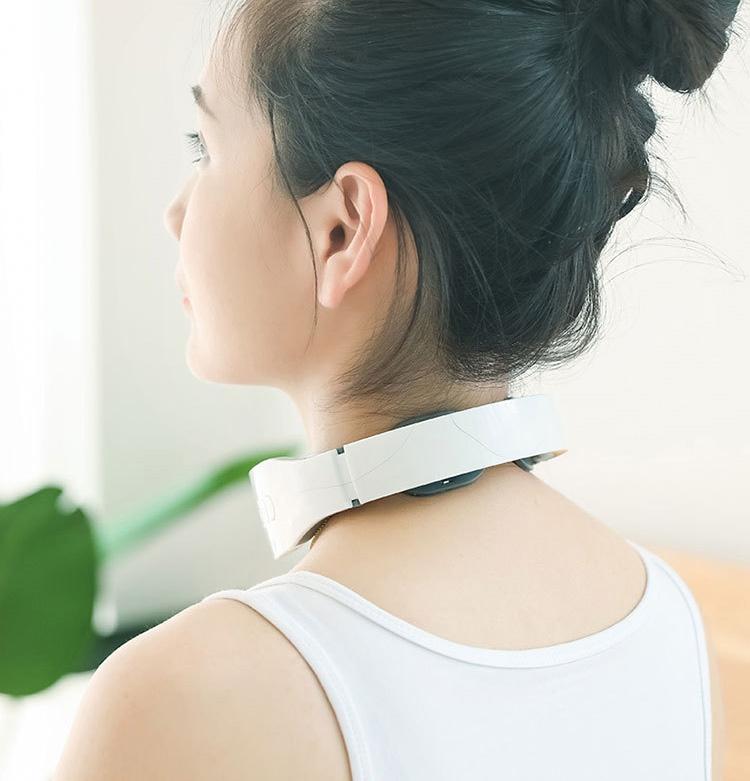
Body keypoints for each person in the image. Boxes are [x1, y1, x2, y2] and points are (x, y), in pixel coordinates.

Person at [55, 0, 743, 779]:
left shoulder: (183, 699)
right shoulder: (671, 625)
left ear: (343, 229)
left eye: (204, 148)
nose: (175, 213)